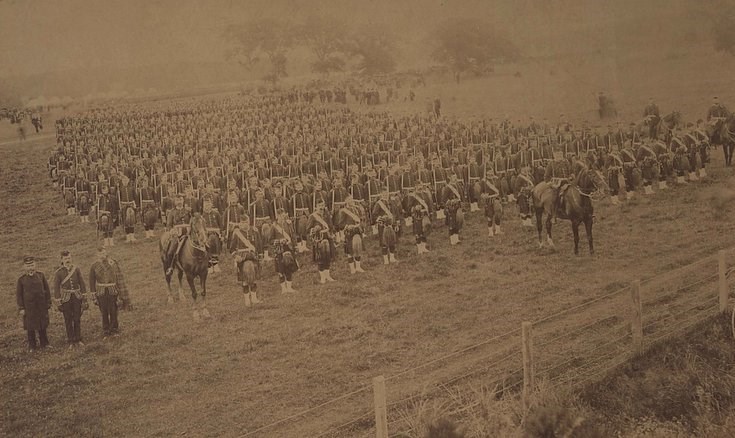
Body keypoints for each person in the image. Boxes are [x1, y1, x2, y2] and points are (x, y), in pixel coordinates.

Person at [89, 247, 131, 337]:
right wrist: (93, 294)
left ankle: (114, 329)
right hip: (101, 292)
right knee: (104, 312)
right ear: (97, 255)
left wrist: (120, 293)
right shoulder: (94, 266)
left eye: (104, 253)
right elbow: (91, 281)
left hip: (112, 290)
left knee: (113, 310)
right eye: (100, 254)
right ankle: (106, 330)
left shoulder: (112, 263)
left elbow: (118, 278)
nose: (103, 256)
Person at [53, 250, 88, 348]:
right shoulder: (59, 272)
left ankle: (78, 338)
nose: (67, 260)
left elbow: (82, 283)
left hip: (77, 297)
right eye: (65, 259)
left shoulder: (76, 269)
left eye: (69, 258)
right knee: (68, 319)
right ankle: (71, 340)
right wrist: (59, 302)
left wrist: (84, 297)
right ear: (61, 260)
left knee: (77, 318)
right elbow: (56, 288)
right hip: (66, 299)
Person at [16, 256, 52, 352]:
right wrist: (21, 308)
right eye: (28, 266)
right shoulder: (21, 280)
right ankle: (32, 346)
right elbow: (19, 295)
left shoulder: (41, 276)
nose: (30, 267)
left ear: (35, 265)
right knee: (30, 327)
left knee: (42, 324)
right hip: (29, 308)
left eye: (32, 265)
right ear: (24, 267)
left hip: (41, 306)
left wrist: (48, 302)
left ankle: (45, 343)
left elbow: (47, 290)